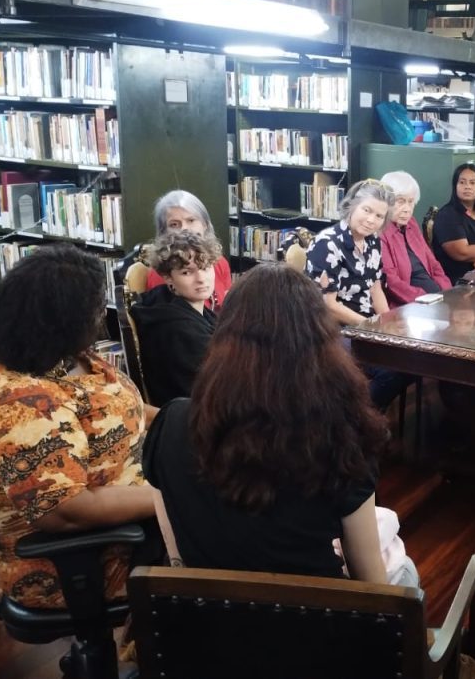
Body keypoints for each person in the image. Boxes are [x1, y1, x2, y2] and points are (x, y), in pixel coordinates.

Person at [143, 265, 417, 586]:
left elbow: (180, 563)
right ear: (321, 343)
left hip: (212, 624)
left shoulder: (170, 423)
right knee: (403, 569)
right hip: (317, 624)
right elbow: (371, 587)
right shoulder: (341, 433)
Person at [0, 245, 156, 609]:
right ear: (59, 319)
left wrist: (190, 420)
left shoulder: (58, 353)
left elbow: (114, 408)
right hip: (81, 562)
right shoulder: (14, 402)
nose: (101, 316)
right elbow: (65, 510)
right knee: (231, 540)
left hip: (133, 520)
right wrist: (167, 499)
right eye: (95, 308)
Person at [132, 231, 220, 406]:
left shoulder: (165, 302)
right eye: (187, 272)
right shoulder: (178, 329)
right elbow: (216, 388)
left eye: (205, 267)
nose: (201, 279)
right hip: (195, 417)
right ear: (167, 277)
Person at [306, 179, 396, 326]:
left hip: (366, 322)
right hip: (333, 327)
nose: (371, 220)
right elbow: (328, 305)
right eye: (366, 210)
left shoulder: (373, 240)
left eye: (379, 216)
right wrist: (371, 327)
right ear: (352, 206)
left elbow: (375, 290)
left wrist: (387, 324)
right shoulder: (327, 243)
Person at [145, 190, 232, 311]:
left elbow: (229, 308)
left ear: (205, 224)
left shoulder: (220, 262)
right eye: (174, 224)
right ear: (163, 232)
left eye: (191, 220)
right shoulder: (164, 271)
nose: (184, 229)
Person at [378, 170, 451, 306]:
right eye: (401, 201)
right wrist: (426, 299)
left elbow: (433, 263)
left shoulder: (411, 223)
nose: (407, 209)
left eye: (411, 202)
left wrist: (447, 292)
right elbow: (391, 281)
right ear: (386, 201)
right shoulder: (380, 231)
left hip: (435, 298)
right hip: (410, 304)